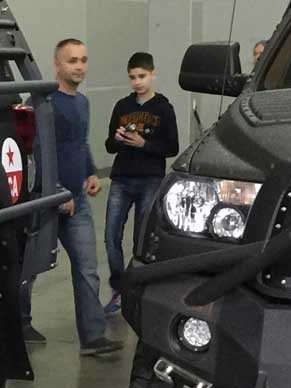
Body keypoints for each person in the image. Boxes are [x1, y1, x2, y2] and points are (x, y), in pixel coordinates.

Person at [22, 38, 120, 356]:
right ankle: (20, 324)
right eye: (72, 60)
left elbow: (79, 143)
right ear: (57, 64)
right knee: (29, 268)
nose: (79, 66)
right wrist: (55, 191)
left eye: (83, 60)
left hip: (77, 200)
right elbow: (37, 152)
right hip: (45, 200)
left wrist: (90, 172)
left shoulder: (82, 103)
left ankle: (93, 337)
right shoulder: (42, 103)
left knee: (87, 267)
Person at [101, 52, 179, 316]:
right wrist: (117, 138)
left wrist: (144, 144)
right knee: (111, 236)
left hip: (149, 178)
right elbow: (109, 145)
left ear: (153, 74)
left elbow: (172, 147)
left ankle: (135, 289)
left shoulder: (163, 108)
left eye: (142, 76)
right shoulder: (122, 106)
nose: (137, 82)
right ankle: (119, 287)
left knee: (141, 238)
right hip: (121, 178)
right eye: (132, 77)